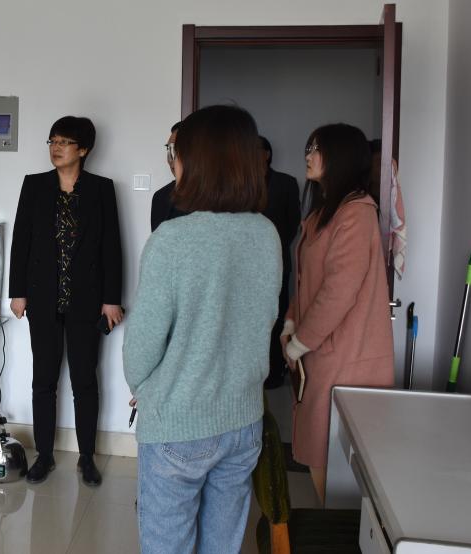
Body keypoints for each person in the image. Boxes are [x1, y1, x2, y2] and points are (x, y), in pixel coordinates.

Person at [124, 105, 281, 554]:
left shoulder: (172, 240)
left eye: (175, 151)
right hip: (243, 420)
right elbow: (264, 318)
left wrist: (146, 389)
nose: (172, 160)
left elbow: (141, 348)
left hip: (179, 422)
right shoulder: (266, 234)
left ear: (195, 161)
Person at [282, 124, 394, 504]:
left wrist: (298, 343)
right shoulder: (323, 213)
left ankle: (336, 529)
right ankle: (332, 522)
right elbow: (306, 281)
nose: (308, 155)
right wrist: (291, 321)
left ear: (341, 157)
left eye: (317, 149)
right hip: (322, 352)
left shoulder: (357, 214)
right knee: (320, 451)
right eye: (309, 147)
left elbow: (338, 292)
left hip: (346, 356)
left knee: (334, 456)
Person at [9, 116, 123, 487]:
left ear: (83, 149)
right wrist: (17, 292)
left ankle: (87, 457)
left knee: (84, 380)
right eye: (52, 141)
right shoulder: (35, 185)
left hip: (86, 300)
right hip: (42, 297)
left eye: (64, 142)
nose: (56, 148)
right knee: (43, 379)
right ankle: (44, 455)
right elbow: (21, 241)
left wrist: (111, 299)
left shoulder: (101, 189)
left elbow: (111, 246)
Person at [259, 136, 301, 389]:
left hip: (278, 260)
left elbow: (293, 222)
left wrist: (271, 245)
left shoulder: (286, 183)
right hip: (247, 266)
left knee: (276, 316)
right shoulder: (242, 182)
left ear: (266, 154)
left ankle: (275, 371)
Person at [150, 121, 187, 231]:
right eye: (169, 149)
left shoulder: (221, 198)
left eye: (176, 150)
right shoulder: (160, 197)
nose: (170, 160)